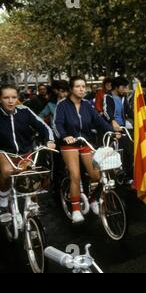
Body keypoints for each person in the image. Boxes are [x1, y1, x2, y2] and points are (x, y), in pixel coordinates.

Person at [54, 76, 115, 224]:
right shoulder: (62, 105)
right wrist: (64, 136)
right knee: (75, 175)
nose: (81, 89)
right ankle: (75, 209)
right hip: (69, 144)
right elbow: (57, 124)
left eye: (83, 86)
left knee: (96, 175)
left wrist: (113, 131)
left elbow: (99, 120)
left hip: (85, 141)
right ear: (71, 89)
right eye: (78, 86)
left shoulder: (87, 104)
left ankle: (93, 198)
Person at [0, 84, 55, 213]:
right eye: (6, 97)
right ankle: (3, 198)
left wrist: (50, 140)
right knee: (7, 172)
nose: (10, 100)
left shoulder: (24, 111)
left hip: (25, 153)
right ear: (0, 99)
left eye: (13, 97)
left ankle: (32, 218)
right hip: (4, 153)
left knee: (32, 182)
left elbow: (44, 127)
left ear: (17, 97)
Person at [103, 77, 134, 183]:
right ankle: (116, 174)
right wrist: (112, 121)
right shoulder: (108, 97)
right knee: (116, 152)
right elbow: (107, 111)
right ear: (116, 87)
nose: (125, 89)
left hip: (122, 128)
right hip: (112, 129)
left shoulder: (123, 97)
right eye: (123, 87)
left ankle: (128, 176)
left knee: (128, 151)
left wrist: (138, 118)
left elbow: (128, 111)